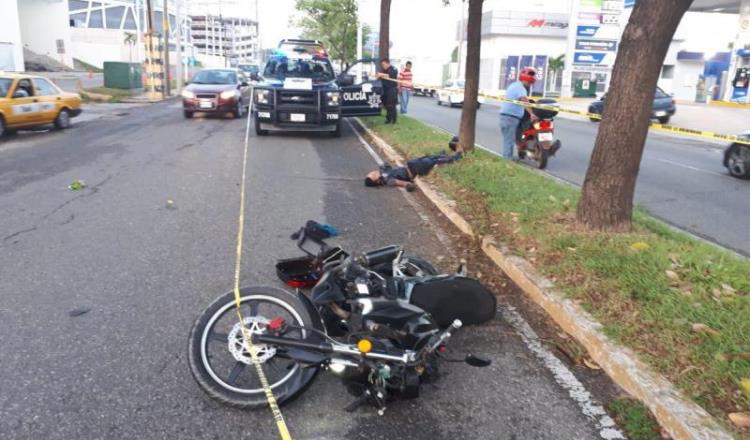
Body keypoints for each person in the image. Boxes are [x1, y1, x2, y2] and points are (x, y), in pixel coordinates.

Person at [364, 137, 461, 191]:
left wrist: (383, 168)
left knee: (429, 157)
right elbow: (406, 184)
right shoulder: (389, 181)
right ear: (377, 181)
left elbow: (387, 166)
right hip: (415, 169)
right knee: (433, 161)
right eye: (372, 175)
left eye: (371, 173)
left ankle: (442, 156)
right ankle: (456, 157)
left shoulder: (384, 173)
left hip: (411, 165)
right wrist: (408, 185)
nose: (373, 172)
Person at [499, 67, 538, 160]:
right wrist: (532, 114)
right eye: (529, 83)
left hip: (509, 117)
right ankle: (507, 160)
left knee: (510, 139)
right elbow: (524, 101)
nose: (529, 85)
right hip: (510, 118)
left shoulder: (514, 85)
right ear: (526, 80)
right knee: (509, 141)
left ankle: (509, 157)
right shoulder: (520, 88)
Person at [377, 58, 399, 124]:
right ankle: (388, 119)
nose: (383, 66)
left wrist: (381, 74)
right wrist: (378, 75)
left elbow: (390, 75)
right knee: (387, 105)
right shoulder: (384, 70)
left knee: (391, 105)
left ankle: (393, 120)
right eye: (382, 65)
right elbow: (379, 77)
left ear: (388, 63)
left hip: (392, 89)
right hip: (385, 90)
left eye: (384, 64)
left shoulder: (393, 69)